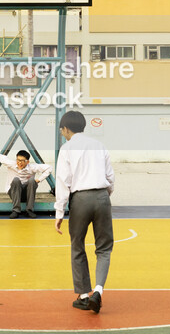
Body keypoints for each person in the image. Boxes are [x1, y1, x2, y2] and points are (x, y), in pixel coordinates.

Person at [54, 110, 114, 314]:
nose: (62, 133)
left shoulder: (66, 148)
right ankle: (98, 291)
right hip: (102, 196)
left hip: (80, 199)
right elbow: (110, 177)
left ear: (67, 128)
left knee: (77, 246)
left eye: (62, 129)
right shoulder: (99, 145)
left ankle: (82, 296)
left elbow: (63, 181)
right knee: (104, 248)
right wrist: (104, 196)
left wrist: (59, 212)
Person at [0, 148, 52, 218]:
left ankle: (29, 210)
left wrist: (39, 179)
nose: (19, 162)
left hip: (27, 194)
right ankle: (16, 210)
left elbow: (49, 168)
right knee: (16, 180)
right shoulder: (11, 164)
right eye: (18, 160)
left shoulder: (32, 167)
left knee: (32, 180)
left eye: (22, 161)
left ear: (27, 162)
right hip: (14, 193)